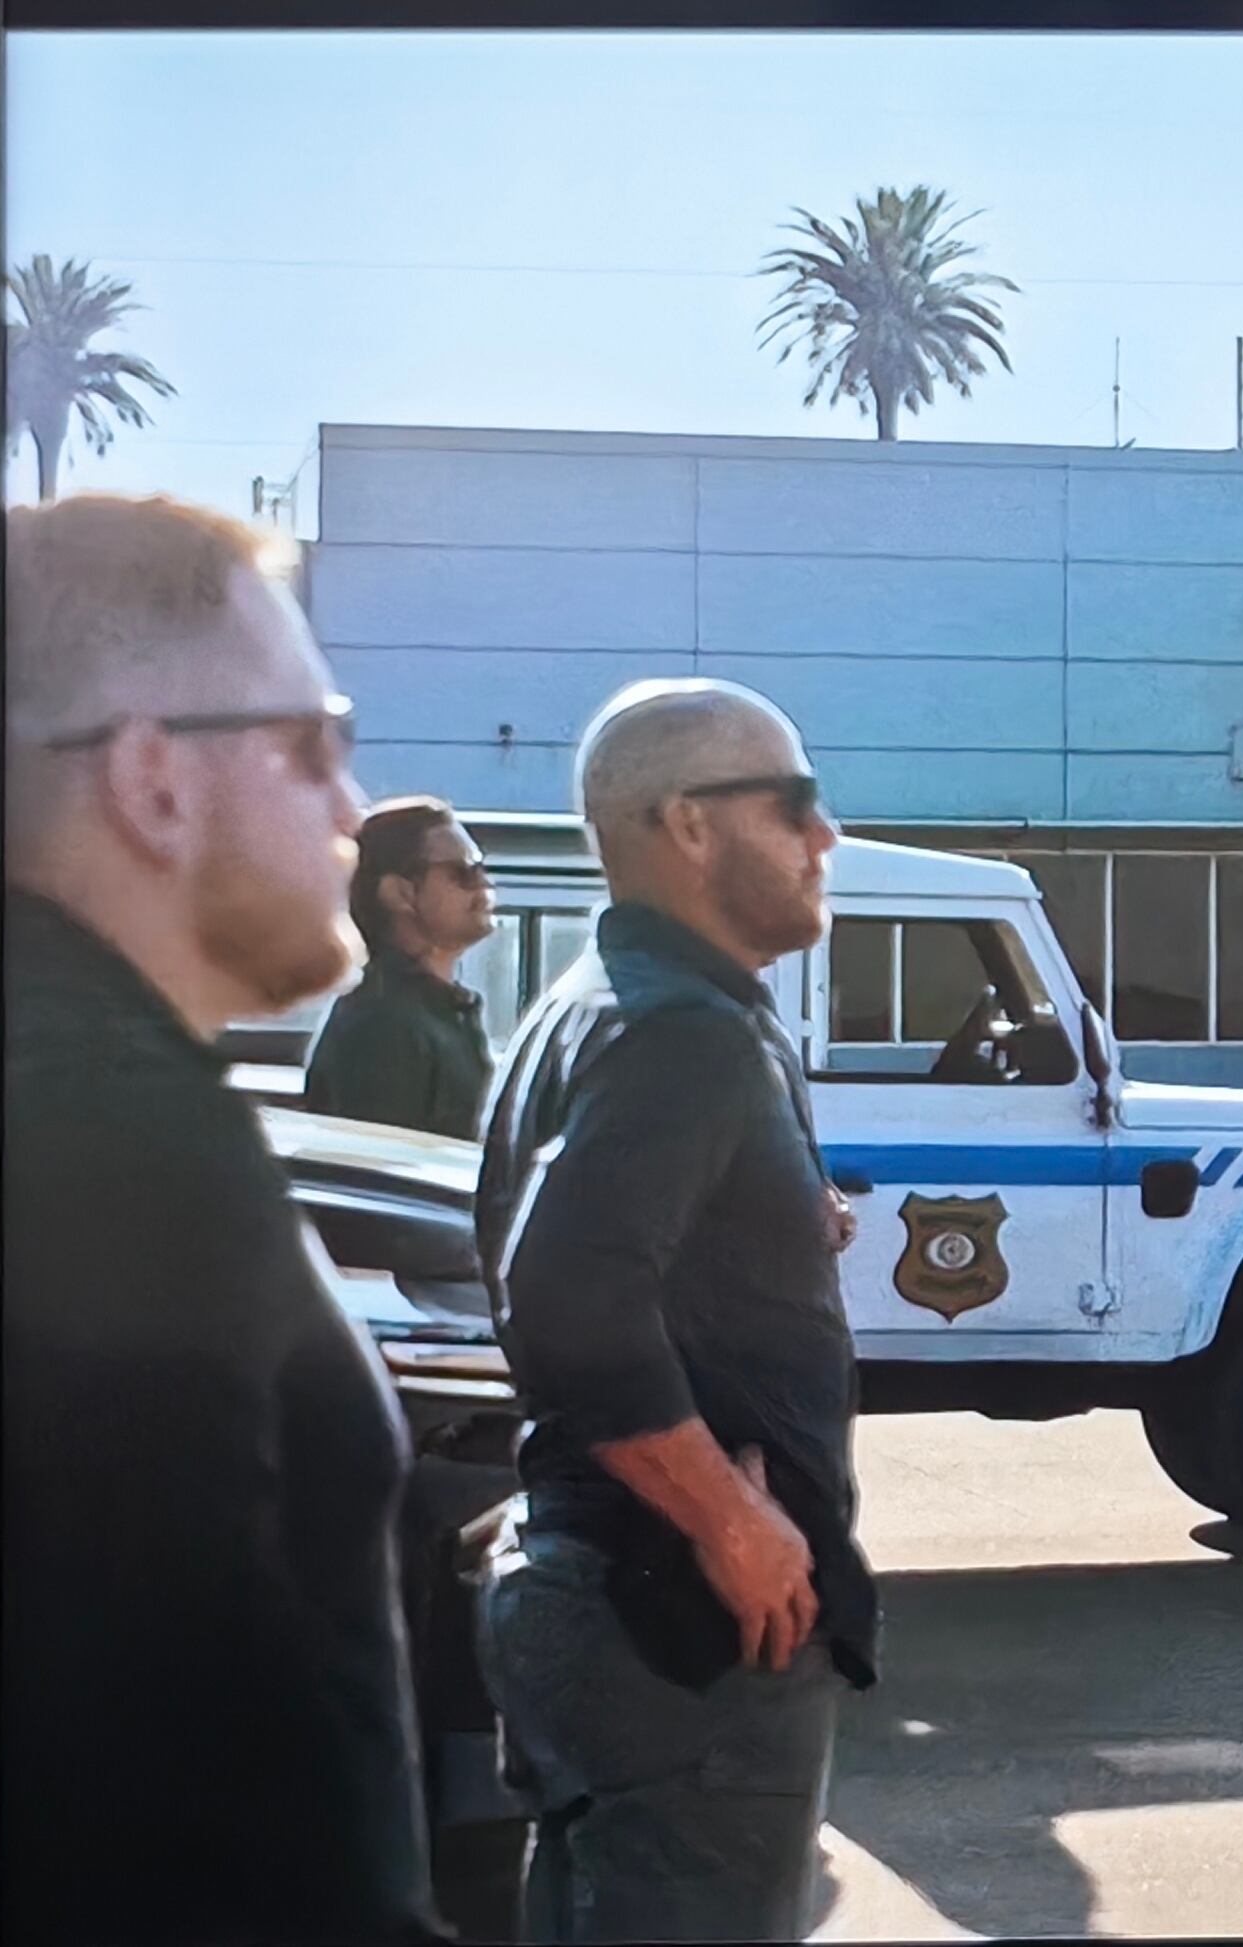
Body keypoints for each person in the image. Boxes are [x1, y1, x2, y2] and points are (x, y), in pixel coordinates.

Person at [1, 493, 443, 1943]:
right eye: (316, 741)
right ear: (152, 778)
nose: (347, 809)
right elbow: (185, 1824)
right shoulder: (118, 1145)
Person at [472, 677, 877, 1942]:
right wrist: (728, 1518)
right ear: (688, 825)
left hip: (608, 1608)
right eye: (797, 804)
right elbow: (567, 1296)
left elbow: (594, 1251)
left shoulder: (592, 1005)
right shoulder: (678, 1030)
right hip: (680, 1628)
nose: (828, 837)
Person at [304, 795, 500, 1135]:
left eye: (481, 868)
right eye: (463, 872)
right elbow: (377, 1176)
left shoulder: (438, 1012)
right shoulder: (379, 1027)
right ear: (400, 893)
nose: (485, 885)